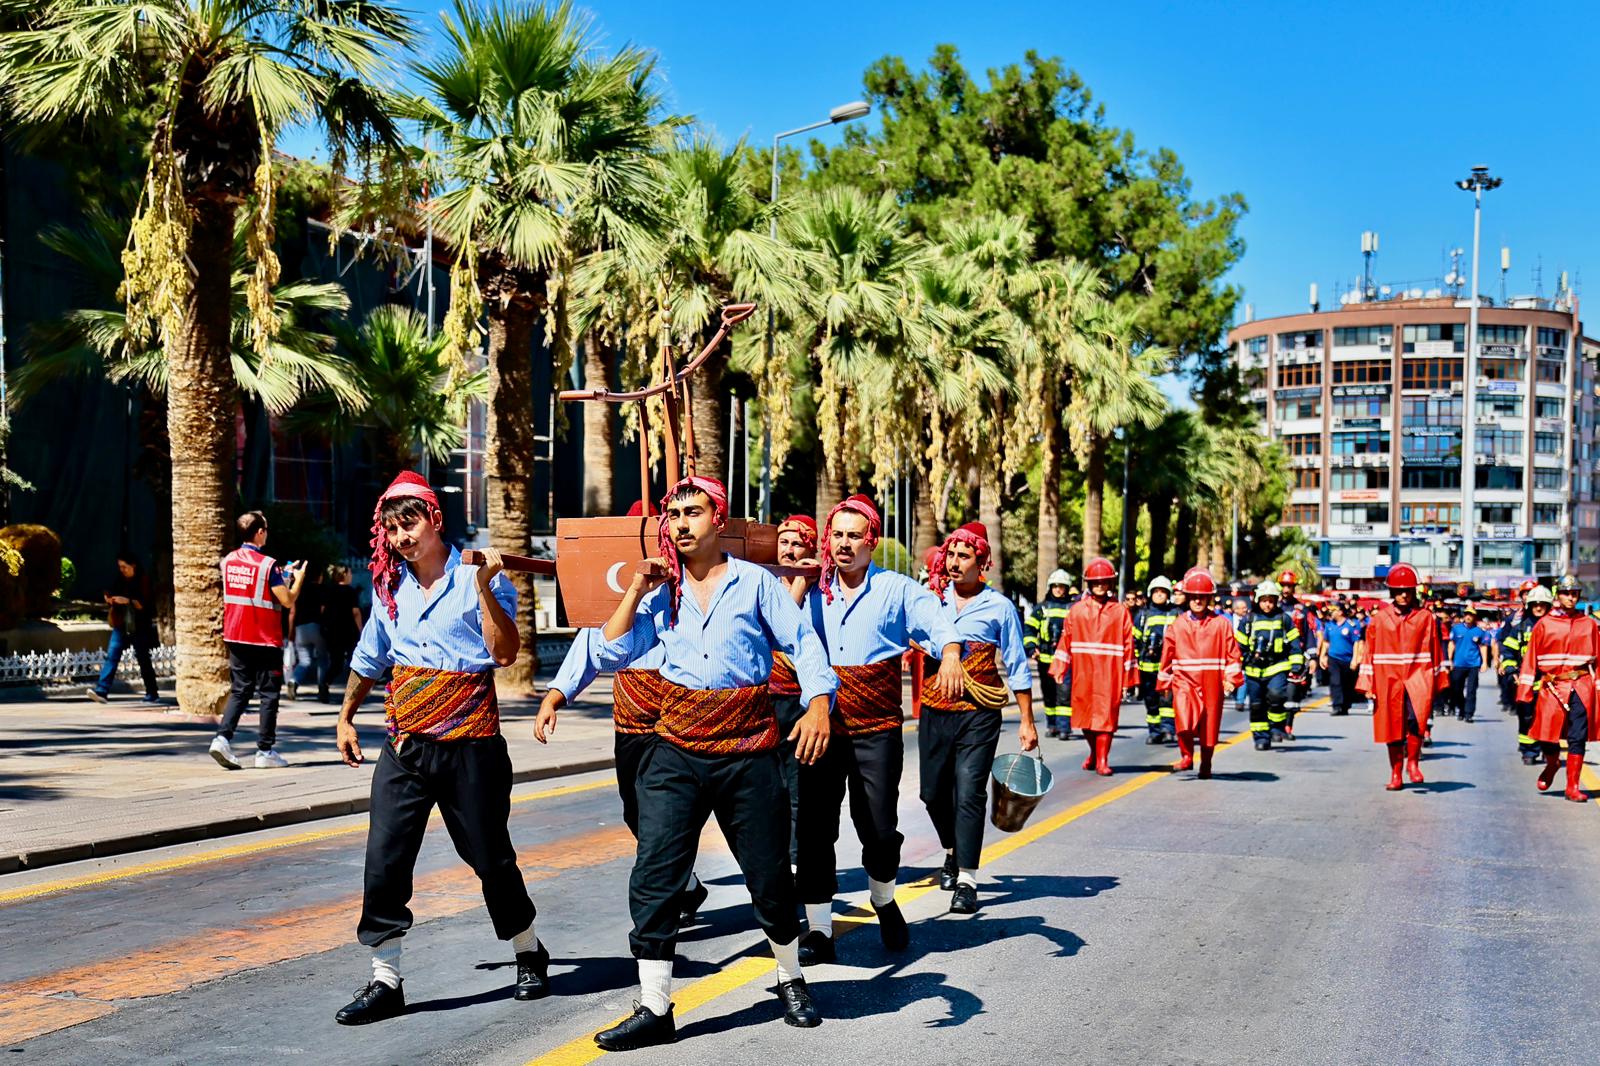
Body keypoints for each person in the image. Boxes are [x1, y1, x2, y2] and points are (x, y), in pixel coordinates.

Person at [585, 476, 837, 1050]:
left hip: (748, 749)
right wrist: (636, 589)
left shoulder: (756, 583)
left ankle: (790, 978)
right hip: (675, 748)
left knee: (768, 874)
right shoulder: (661, 593)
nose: (680, 523)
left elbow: (803, 643)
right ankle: (655, 1006)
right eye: (673, 515)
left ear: (718, 521)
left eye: (692, 512)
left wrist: (819, 702)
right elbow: (611, 650)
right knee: (655, 873)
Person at [329, 473, 542, 1025]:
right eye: (393, 529)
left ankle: (527, 949)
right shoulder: (389, 587)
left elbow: (504, 653)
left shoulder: (478, 575)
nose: (402, 537)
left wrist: (484, 588)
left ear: (435, 520)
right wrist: (346, 717)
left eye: (411, 524)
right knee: (384, 859)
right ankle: (386, 978)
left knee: (490, 858)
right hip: (406, 744)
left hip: (471, 745)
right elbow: (370, 657)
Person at [793, 495, 963, 960]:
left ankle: (884, 899)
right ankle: (819, 930)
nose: (844, 544)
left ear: (871, 542)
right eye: (837, 535)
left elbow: (939, 624)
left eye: (854, 536)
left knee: (879, 829)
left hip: (878, 728)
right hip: (820, 723)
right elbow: (779, 632)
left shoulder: (897, 589)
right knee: (814, 829)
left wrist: (950, 655)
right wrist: (799, 586)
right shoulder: (810, 589)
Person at [540, 633, 710, 921]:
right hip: (630, 732)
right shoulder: (614, 606)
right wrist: (553, 699)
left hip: (677, 728)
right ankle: (688, 885)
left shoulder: (687, 605)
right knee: (636, 815)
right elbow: (589, 648)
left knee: (666, 820)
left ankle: (661, 914)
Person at [922, 522, 1037, 914]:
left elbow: (1016, 664)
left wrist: (1027, 721)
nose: (955, 563)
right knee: (932, 793)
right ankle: (953, 849)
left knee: (970, 790)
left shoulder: (999, 607)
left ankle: (967, 879)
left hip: (979, 714)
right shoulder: (930, 599)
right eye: (951, 555)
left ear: (982, 562)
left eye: (964, 556)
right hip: (935, 708)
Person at [210, 511, 306, 770]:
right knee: (268, 694)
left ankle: (222, 739)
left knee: (240, 690)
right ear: (260, 532)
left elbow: (251, 586)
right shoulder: (268, 565)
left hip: (236, 635)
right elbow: (286, 600)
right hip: (263, 639)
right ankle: (265, 751)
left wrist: (283, 574)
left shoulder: (228, 561)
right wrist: (297, 581)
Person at [1356, 564, 1447, 791]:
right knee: (1392, 725)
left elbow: (1435, 648)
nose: (1404, 595)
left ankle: (1413, 763)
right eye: (1399, 591)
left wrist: (1439, 679)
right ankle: (1396, 772)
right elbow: (1369, 651)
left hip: (1418, 676)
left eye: (1407, 590)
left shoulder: (1426, 618)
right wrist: (1368, 683)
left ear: (1414, 591)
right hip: (1388, 678)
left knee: (1417, 720)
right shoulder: (1380, 619)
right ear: (1392, 592)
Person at [1048, 556, 1135, 776]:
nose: (1100, 586)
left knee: (1106, 716)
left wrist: (1128, 678)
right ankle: (1095, 752)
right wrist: (1059, 667)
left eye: (1104, 582)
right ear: (1089, 583)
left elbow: (1129, 645)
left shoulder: (1120, 612)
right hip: (1083, 671)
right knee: (1084, 715)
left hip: (1110, 672)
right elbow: (1066, 639)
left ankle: (1103, 760)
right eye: (1096, 582)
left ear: (1110, 583)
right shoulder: (1077, 610)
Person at [1516, 575, 1600, 803]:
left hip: (1581, 686)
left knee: (1578, 736)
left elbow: (1598, 660)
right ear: (1558, 595)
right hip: (1552, 686)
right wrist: (1524, 689)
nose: (1571, 598)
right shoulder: (1545, 624)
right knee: (1546, 734)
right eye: (1566, 593)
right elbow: (1531, 658)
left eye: (1574, 594)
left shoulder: (1589, 624)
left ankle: (1572, 786)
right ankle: (1552, 763)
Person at [1157, 568, 1242, 778]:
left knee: (1209, 725)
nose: (1197, 600)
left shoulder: (1221, 624)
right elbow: (1167, 655)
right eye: (1193, 596)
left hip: (1211, 682)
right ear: (1187, 597)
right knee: (1183, 719)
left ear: (1208, 598)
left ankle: (1206, 762)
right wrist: (1165, 683)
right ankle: (1187, 756)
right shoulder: (1177, 625)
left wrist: (1231, 679)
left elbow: (1233, 654)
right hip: (1184, 681)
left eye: (1202, 597)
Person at [771, 513, 821, 860]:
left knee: (797, 787)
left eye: (797, 544)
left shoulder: (821, 593)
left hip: (801, 704)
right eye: (784, 542)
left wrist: (802, 585)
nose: (789, 551)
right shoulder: (763, 584)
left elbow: (787, 629)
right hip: (763, 701)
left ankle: (793, 861)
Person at [85, 552, 161, 705]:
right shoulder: (120, 580)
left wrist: (127, 601)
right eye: (120, 567)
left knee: (143, 658)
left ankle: (152, 692)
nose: (122, 570)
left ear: (133, 565)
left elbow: (144, 604)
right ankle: (102, 690)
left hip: (139, 625)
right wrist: (111, 599)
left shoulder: (143, 580)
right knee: (112, 655)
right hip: (121, 624)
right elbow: (114, 593)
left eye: (124, 567)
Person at [1237, 581, 1302, 750]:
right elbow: (1239, 646)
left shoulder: (1284, 619)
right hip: (1253, 669)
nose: (1268, 604)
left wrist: (1296, 664)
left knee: (1276, 695)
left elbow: (1295, 643)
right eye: (1264, 600)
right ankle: (1261, 738)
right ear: (1258, 600)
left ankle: (1276, 727)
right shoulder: (1248, 620)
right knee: (1256, 705)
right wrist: (1239, 662)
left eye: (1271, 601)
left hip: (1277, 666)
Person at [1501, 586, 1551, 764]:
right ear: (1529, 605)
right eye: (1535, 604)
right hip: (1526, 681)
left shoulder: (1555, 627)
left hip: (1549, 683)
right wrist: (1511, 670)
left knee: (1549, 718)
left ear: (1548, 606)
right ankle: (1528, 750)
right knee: (1526, 717)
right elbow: (1508, 651)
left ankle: (1547, 749)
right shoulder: (1521, 627)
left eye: (1542, 604)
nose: (1538, 607)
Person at [1024, 569, 1073, 739]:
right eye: (1055, 586)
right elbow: (1029, 629)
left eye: (1062, 586)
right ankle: (1052, 725)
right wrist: (1032, 648)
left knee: (1064, 693)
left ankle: (1064, 728)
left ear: (1067, 588)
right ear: (1050, 587)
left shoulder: (1072, 608)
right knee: (1049, 693)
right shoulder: (1041, 609)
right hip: (1045, 658)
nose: (1058, 589)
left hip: (1066, 660)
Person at [1133, 576, 1179, 744]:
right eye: (1156, 591)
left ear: (1168, 594)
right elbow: (1135, 640)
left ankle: (1168, 729)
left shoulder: (1175, 614)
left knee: (1167, 699)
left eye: (1163, 592)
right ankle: (1154, 732)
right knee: (1151, 700)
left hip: (1169, 667)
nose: (1159, 595)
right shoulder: (1142, 615)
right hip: (1147, 666)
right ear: (1150, 593)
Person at [1277, 571, 1317, 738]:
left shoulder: (1302, 610)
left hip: (1296, 656)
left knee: (1292, 693)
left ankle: (1288, 726)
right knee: (1275, 693)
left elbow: (1309, 634)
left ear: (1294, 587)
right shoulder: (1273, 607)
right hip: (1276, 656)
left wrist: (1313, 657)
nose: (1286, 589)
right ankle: (1276, 727)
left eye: (1289, 586)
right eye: (1284, 586)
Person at [287, 566, 329, 702]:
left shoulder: (299, 590)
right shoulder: (322, 589)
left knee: (304, 660)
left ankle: (293, 681)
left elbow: (292, 612)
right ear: (319, 577)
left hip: (300, 628)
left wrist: (291, 631)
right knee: (323, 659)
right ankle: (322, 686)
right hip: (316, 626)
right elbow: (323, 609)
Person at [321, 565, 364, 701]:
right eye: (350, 573)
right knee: (354, 661)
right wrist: (361, 631)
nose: (351, 576)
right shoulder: (351, 592)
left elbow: (323, 610)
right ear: (344, 574)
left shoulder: (329, 590)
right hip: (349, 631)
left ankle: (325, 683)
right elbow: (356, 612)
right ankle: (353, 691)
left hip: (333, 631)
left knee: (336, 662)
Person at [1320, 601, 1364, 717]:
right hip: (1334, 658)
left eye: (1333, 610)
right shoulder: (1329, 625)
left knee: (1347, 683)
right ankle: (1337, 705)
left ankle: (1345, 705)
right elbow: (1326, 642)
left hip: (1348, 659)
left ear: (1340, 612)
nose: (1331, 613)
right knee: (1335, 682)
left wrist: (1355, 659)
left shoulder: (1351, 625)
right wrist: (1322, 656)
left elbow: (1356, 643)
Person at [1447, 607, 1491, 722]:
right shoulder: (1456, 629)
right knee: (1457, 689)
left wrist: (1484, 662)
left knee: (1471, 690)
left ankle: (1468, 714)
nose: (1468, 617)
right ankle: (1461, 709)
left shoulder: (1479, 631)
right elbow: (1452, 644)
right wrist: (1449, 660)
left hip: (1473, 664)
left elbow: (1483, 646)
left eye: (1471, 615)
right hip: (1458, 664)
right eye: (1466, 614)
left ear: (1474, 617)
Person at [1229, 596, 1251, 712]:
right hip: (1229, 653)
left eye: (1245, 608)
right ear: (1235, 609)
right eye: (1242, 608)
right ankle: (1235, 695)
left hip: (1243, 653)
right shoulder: (1227, 620)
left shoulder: (1249, 620)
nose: (1245, 610)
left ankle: (1240, 701)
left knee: (1243, 676)